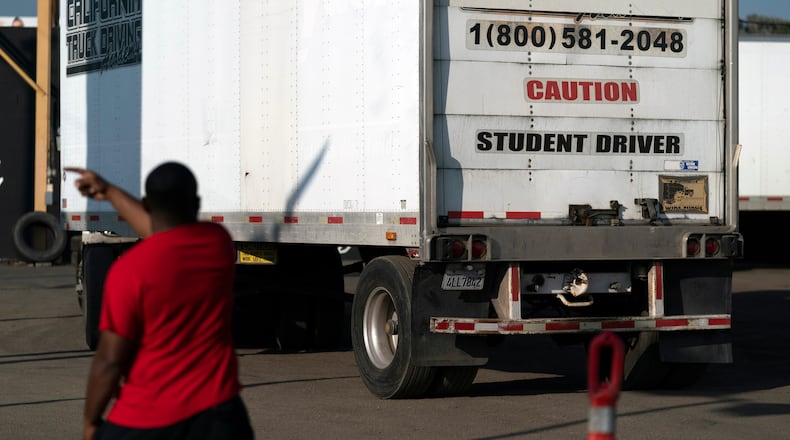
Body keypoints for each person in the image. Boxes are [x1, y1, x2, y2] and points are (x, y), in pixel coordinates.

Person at [66, 163, 254, 440]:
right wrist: (109, 192)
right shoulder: (217, 243)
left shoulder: (129, 271)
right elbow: (164, 232)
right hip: (219, 414)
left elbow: (109, 360)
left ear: (146, 203)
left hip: (143, 420)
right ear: (196, 203)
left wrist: (91, 421)